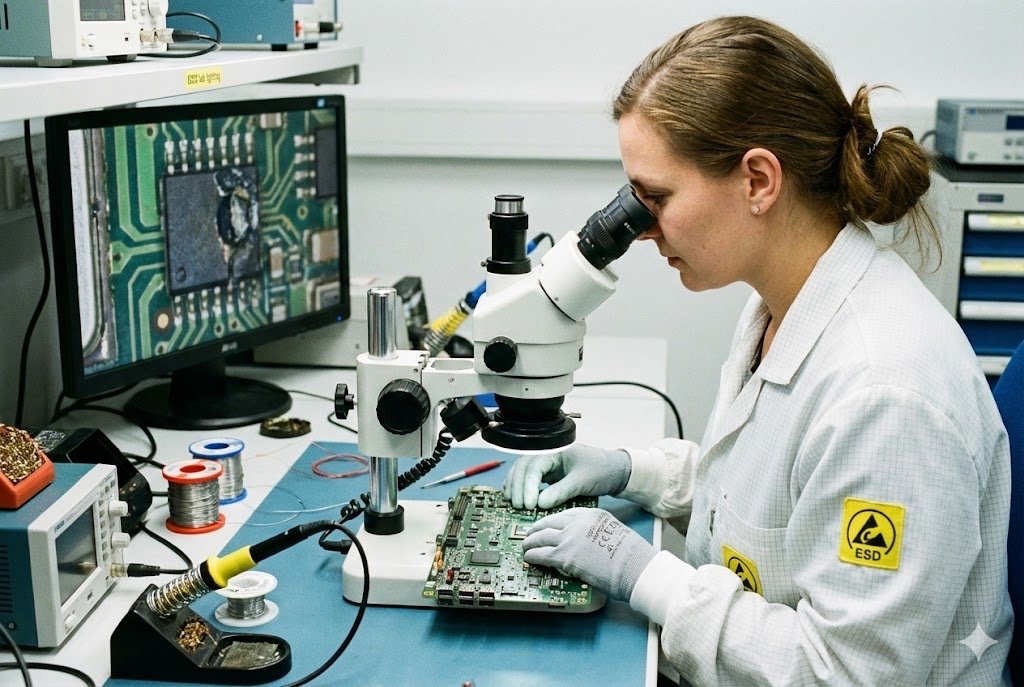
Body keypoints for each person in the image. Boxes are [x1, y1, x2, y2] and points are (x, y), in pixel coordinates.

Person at [503, 15, 1014, 686]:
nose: (641, 229)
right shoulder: (781, 303)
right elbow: (772, 505)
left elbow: (849, 675)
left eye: (654, 197)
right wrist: (633, 471)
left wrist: (647, 573)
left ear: (758, 181)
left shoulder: (887, 395)